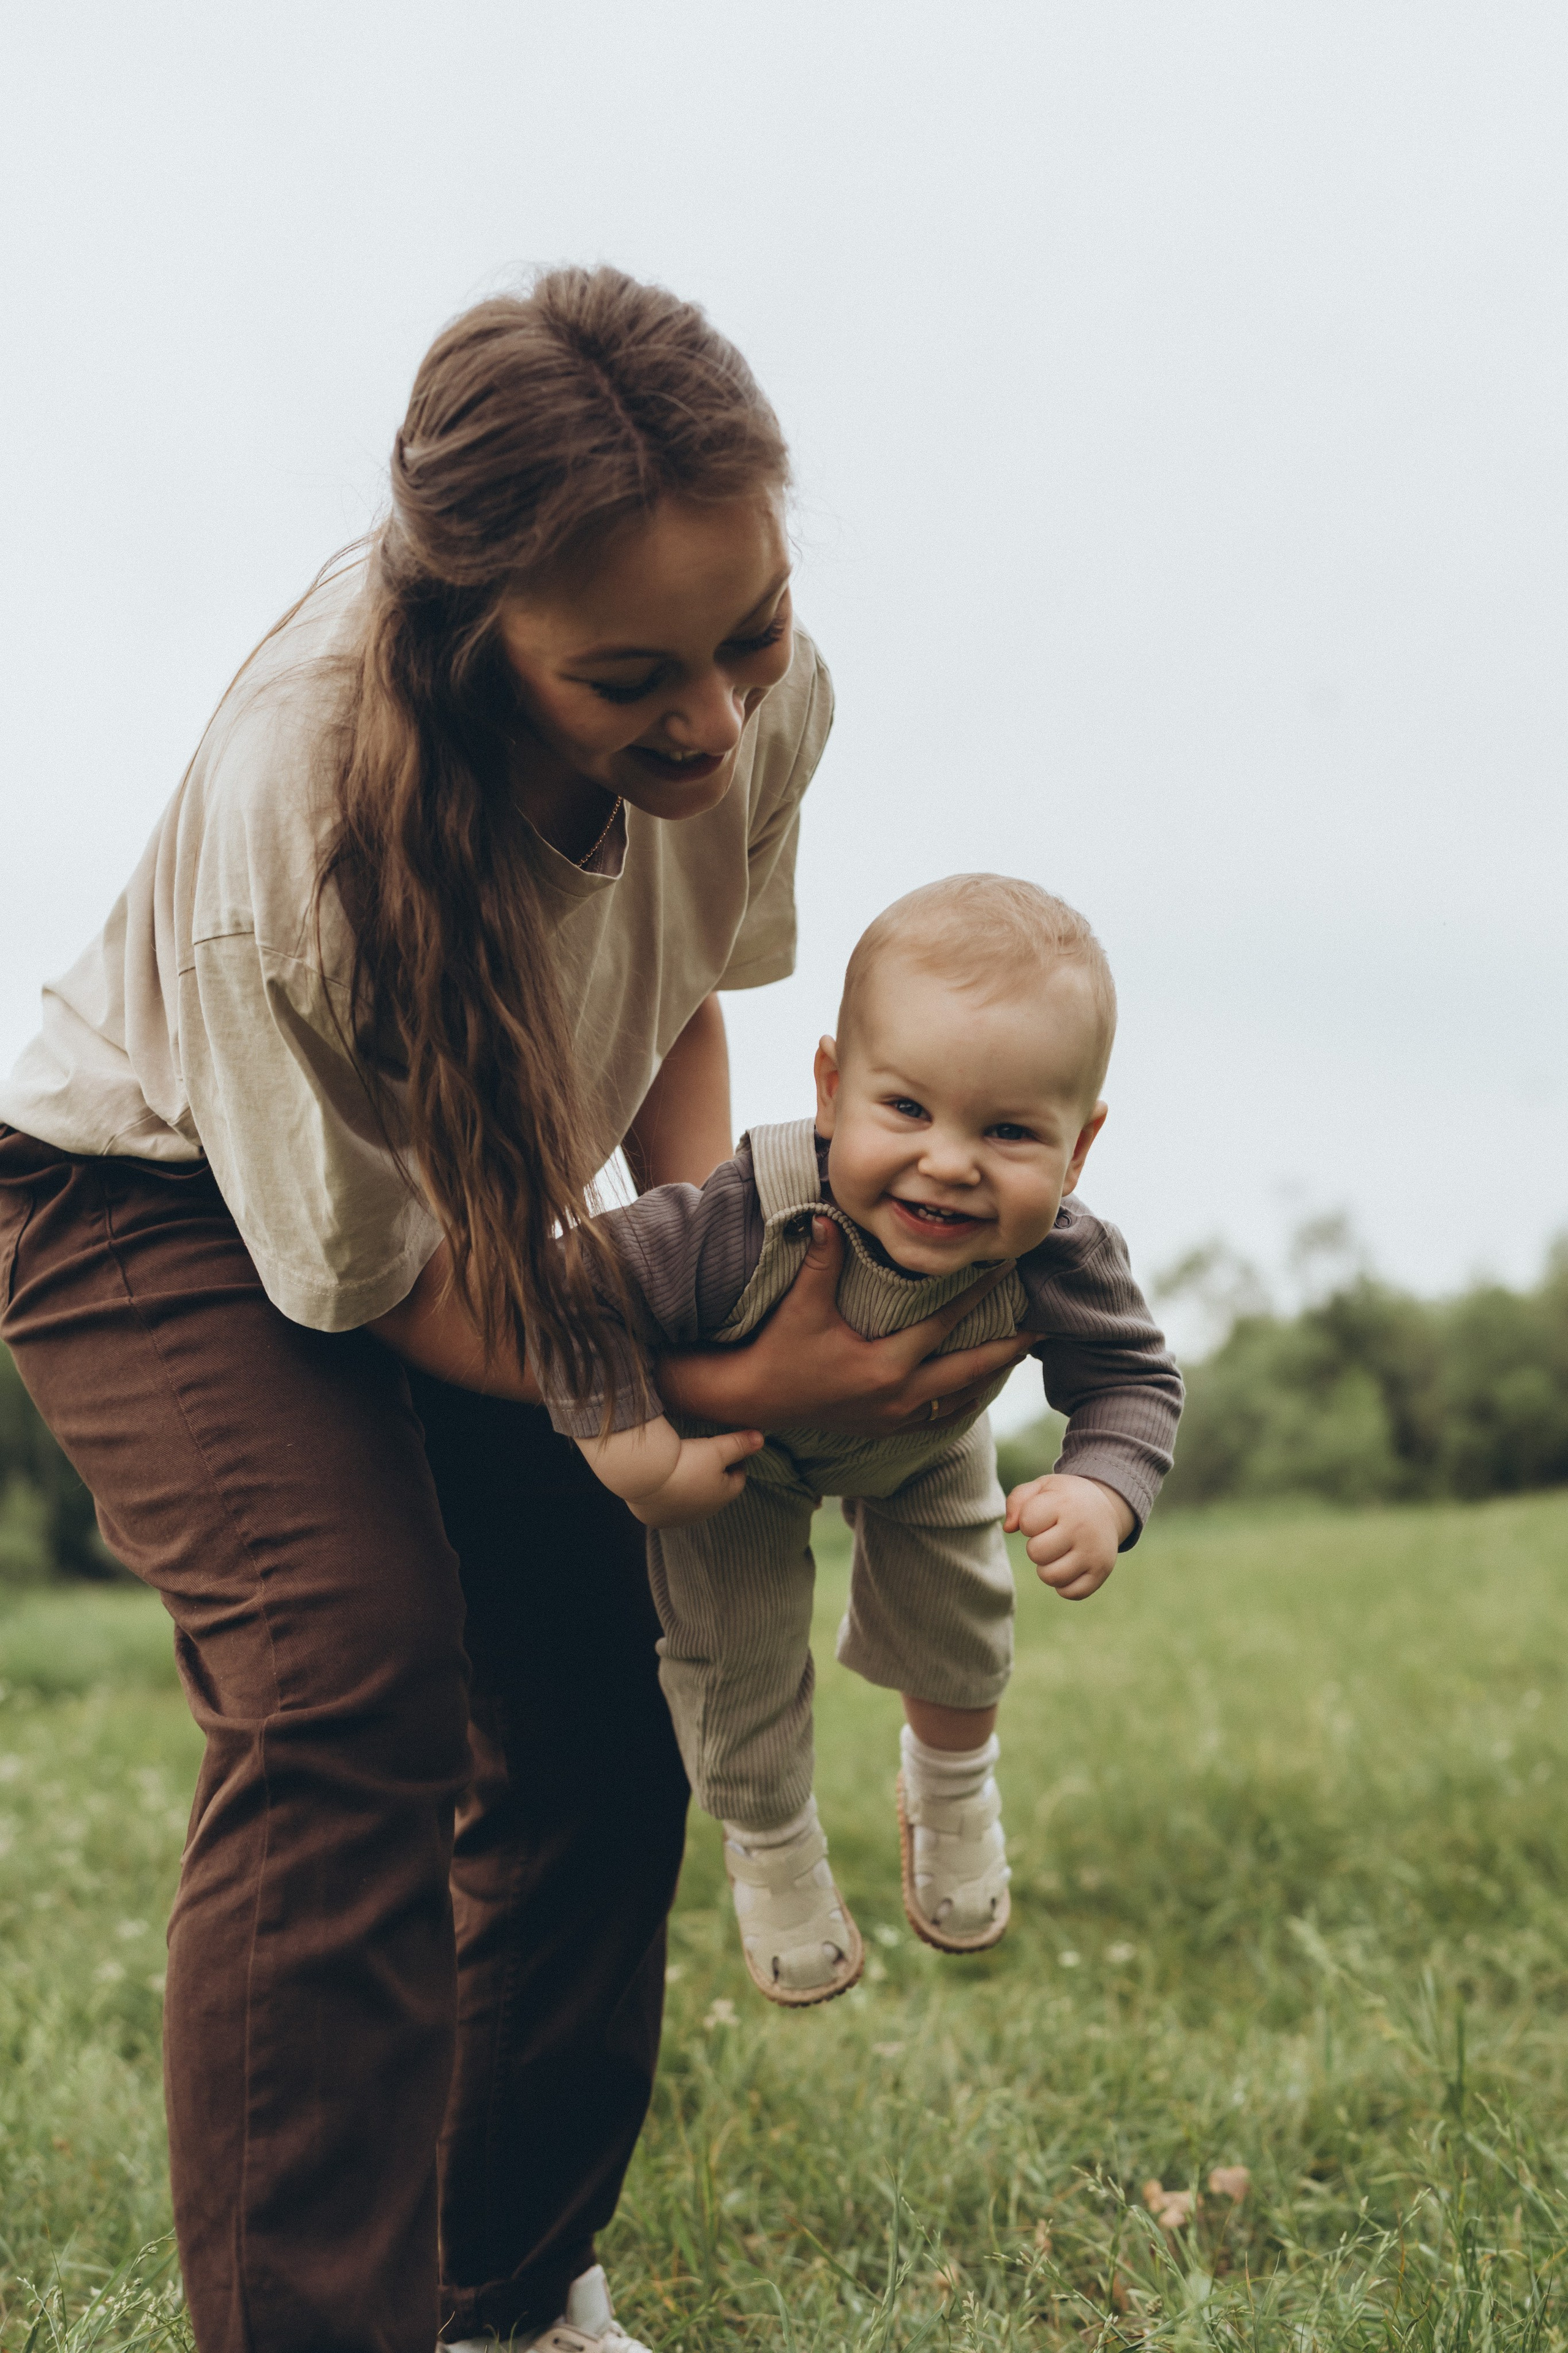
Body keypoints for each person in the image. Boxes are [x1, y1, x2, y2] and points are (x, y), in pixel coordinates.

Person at [0, 271, 1030, 2353]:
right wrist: (726, 1378)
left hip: (473, 1234)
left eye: (747, 634)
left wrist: (731, 1274)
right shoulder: (290, 827)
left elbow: (666, 999)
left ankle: (500, 2292)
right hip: (153, 1205)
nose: (715, 717)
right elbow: (370, 1277)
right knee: (348, 1668)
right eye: (630, 676)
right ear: (481, 647)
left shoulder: (752, 701)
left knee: (593, 1684)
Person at [533, 876, 1182, 2007]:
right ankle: (774, 1848)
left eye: (1012, 1131)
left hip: (926, 1443)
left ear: (1079, 1150)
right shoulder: (739, 1217)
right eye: (908, 1110)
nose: (951, 1161)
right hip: (734, 1456)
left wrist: (1101, 1489)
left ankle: (952, 1786)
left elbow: (1131, 1375)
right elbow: (569, 1290)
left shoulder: (1062, 1255)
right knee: (730, 1651)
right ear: (832, 1090)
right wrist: (632, 1444)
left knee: (962, 1608)